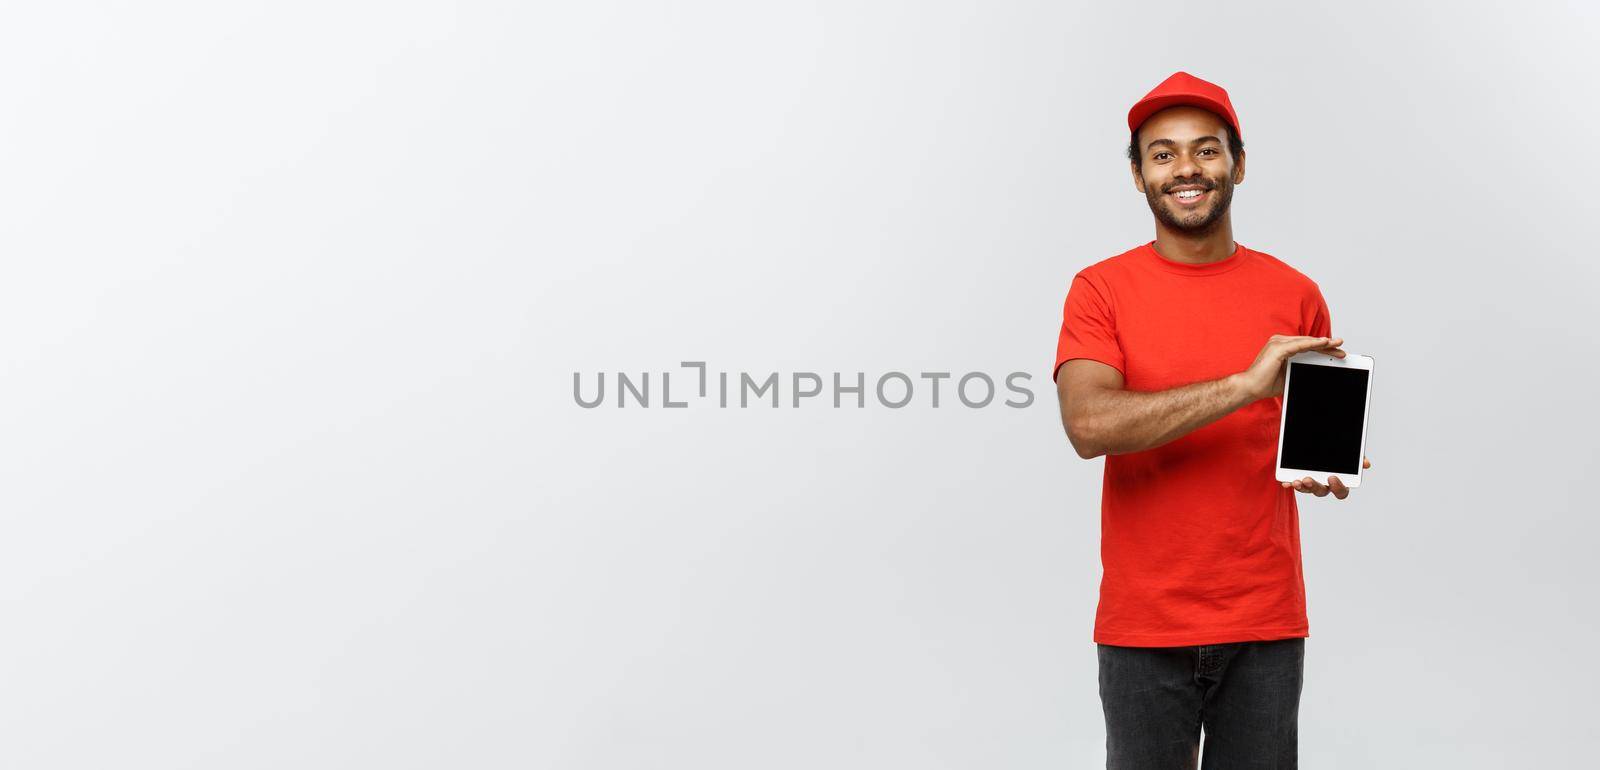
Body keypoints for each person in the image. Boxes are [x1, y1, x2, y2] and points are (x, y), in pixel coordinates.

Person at [1052, 71, 1374, 769]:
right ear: (1138, 177)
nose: (1186, 169)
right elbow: (1088, 424)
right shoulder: (1100, 290)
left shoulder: (1296, 294)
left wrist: (1322, 466)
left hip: (1264, 619)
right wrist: (1242, 385)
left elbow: (1304, 431)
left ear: (1239, 164)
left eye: (1206, 149)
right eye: (1162, 154)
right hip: (1144, 627)